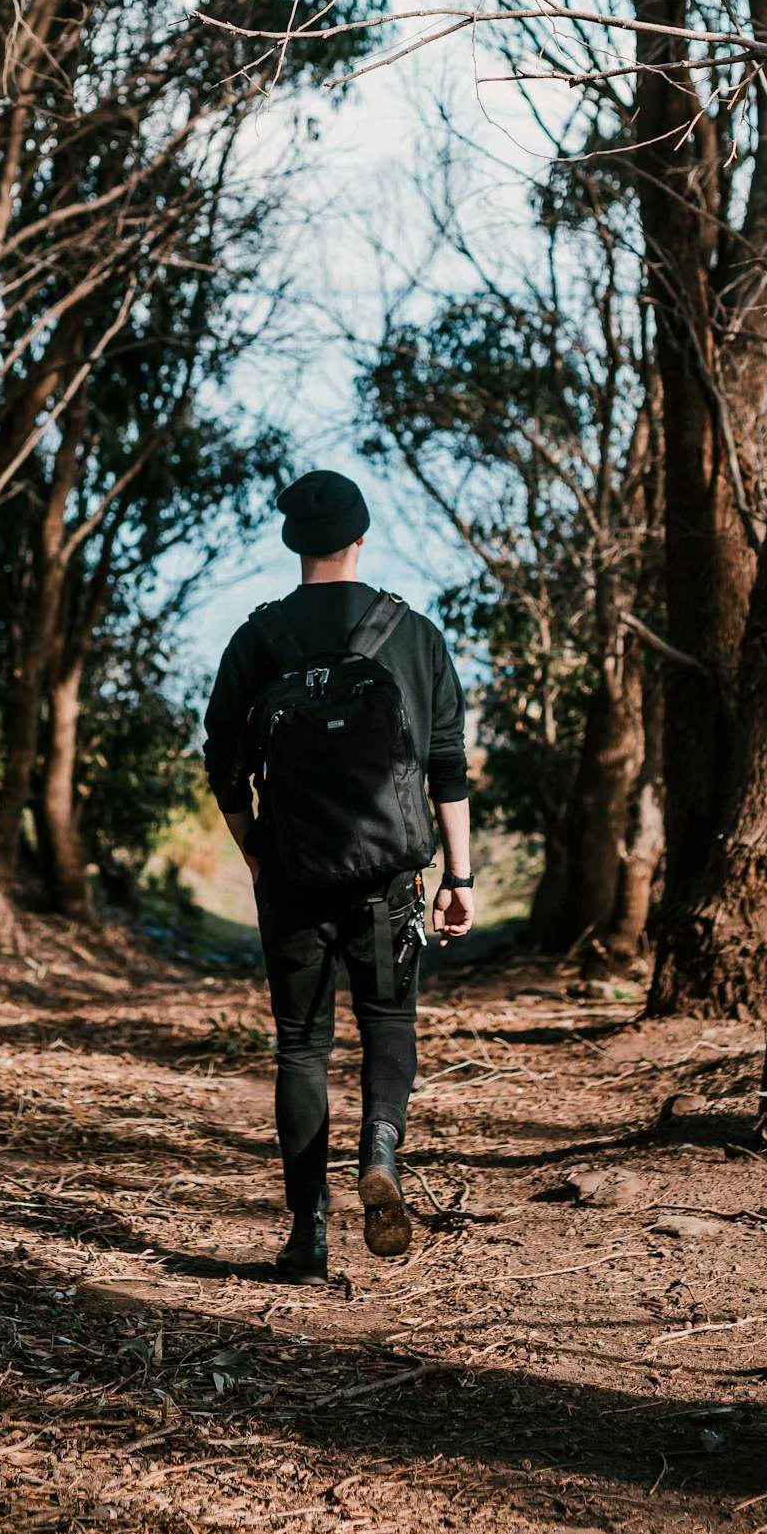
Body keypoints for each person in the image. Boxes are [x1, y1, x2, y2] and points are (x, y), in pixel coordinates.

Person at [203, 468, 474, 1281]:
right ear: (361, 539)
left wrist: (255, 847)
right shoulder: (414, 633)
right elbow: (447, 765)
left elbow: (222, 761)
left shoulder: (258, 638)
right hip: (388, 879)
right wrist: (459, 875)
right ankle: (381, 1152)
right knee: (389, 1025)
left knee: (300, 1047)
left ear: (294, 545)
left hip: (292, 875)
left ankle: (305, 1237)